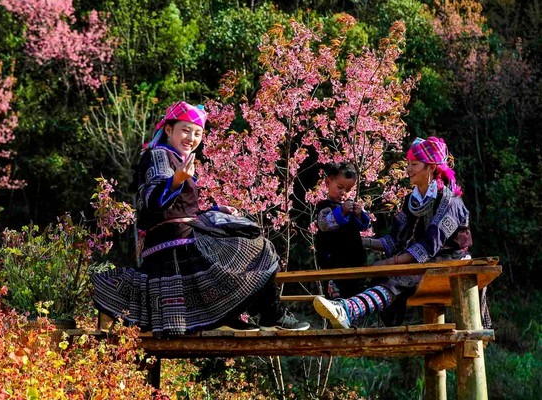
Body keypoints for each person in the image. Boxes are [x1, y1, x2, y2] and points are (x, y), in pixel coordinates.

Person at [92, 100, 309, 337]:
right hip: (173, 244)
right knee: (256, 246)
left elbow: (181, 208)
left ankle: (237, 315)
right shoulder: (159, 155)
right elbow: (153, 202)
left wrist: (216, 209)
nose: (191, 138)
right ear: (168, 130)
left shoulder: (177, 159)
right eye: (185, 130)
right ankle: (271, 314)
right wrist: (177, 179)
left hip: (183, 234)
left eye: (197, 133)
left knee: (248, 241)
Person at [314, 137, 473, 328]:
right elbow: (394, 239)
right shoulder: (412, 200)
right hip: (419, 262)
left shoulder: (450, 202)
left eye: (414, 164)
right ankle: (365, 321)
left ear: (431, 168)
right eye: (408, 164)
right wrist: (360, 243)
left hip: (447, 261)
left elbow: (428, 247)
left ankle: (348, 310)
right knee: (377, 274)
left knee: (395, 277)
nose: (409, 169)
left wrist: (390, 262)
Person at [314, 162, 370, 298]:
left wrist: (359, 215)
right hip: (333, 262)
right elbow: (324, 224)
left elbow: (363, 226)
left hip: (354, 262)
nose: (343, 193)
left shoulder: (349, 207)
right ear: (328, 182)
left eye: (348, 189)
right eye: (340, 187)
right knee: (337, 297)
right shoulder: (324, 206)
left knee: (355, 296)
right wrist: (341, 212)